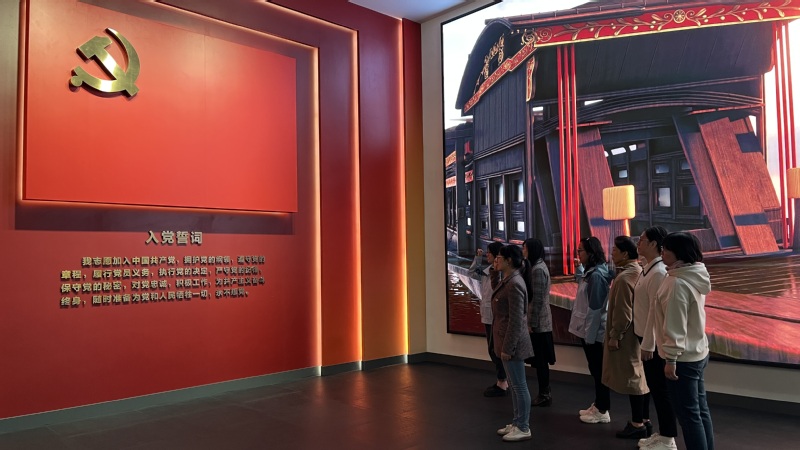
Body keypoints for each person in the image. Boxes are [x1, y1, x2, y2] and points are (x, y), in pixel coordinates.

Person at [654, 232, 714, 450]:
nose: (662, 253)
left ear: (678, 252)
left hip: (682, 358)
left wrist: (670, 358)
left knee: (689, 416)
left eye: (666, 249)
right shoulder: (695, 273)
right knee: (699, 411)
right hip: (697, 352)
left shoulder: (677, 282)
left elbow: (675, 325)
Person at [601, 236, 649, 439]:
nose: (611, 253)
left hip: (627, 336)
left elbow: (622, 311)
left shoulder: (623, 278)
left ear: (625, 254)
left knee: (633, 379)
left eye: (614, 250)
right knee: (640, 377)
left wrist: (615, 335)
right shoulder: (639, 271)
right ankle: (644, 419)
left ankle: (637, 423)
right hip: (639, 334)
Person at [636, 226, 678, 449]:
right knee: (655, 388)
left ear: (654, 244)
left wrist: (649, 343)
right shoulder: (648, 269)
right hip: (644, 338)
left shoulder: (659, 272)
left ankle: (668, 438)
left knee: (661, 391)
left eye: (642, 240)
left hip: (652, 342)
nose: (638, 243)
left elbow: (656, 313)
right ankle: (663, 434)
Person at [569, 236, 614, 424]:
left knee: (598, 371)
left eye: (580, 250)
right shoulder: (592, 272)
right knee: (595, 369)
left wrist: (589, 336)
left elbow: (595, 310)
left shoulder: (596, 276)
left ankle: (602, 409)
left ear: (590, 253)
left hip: (593, 334)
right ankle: (599, 404)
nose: (578, 253)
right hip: (589, 331)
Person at [492, 245, 535, 442]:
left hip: (513, 343)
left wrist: (508, 347)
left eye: (499, 257)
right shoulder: (509, 280)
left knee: (519, 386)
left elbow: (516, 320)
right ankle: (518, 422)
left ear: (509, 260)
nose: (496, 260)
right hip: (507, 340)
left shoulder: (515, 283)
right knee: (515, 385)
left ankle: (523, 426)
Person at [468, 242, 508, 397]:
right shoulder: (487, 272)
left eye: (489, 252)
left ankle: (502, 381)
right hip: (488, 315)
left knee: (496, 350)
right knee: (492, 349)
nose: (487, 255)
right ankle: (502, 379)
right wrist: (477, 258)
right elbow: (471, 273)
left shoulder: (502, 274)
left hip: (496, 317)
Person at [522, 238, 556, 407]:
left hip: (540, 324)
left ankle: (544, 393)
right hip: (540, 322)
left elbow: (537, 300)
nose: (523, 251)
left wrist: (531, 323)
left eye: (525, 248)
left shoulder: (537, 270)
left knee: (541, 361)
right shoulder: (537, 266)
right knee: (540, 360)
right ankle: (544, 392)